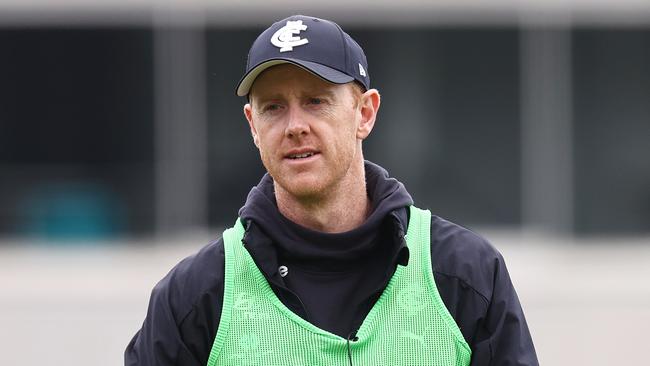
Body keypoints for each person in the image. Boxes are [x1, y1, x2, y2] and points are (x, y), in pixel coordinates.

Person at [125, 15, 538, 366]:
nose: (295, 126)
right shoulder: (196, 297)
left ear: (365, 113)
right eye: (273, 107)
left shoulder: (465, 275)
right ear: (253, 125)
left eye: (316, 101)